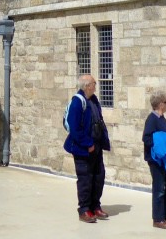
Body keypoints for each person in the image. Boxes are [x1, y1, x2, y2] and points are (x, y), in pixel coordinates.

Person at [63, 74, 111, 223]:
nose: (95, 85)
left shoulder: (94, 100)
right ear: (86, 86)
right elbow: (75, 129)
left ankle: (95, 206)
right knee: (85, 179)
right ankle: (84, 210)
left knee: (99, 177)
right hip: (83, 148)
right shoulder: (78, 102)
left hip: (96, 146)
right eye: (93, 83)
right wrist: (88, 144)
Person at [142, 89, 166, 229]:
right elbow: (146, 138)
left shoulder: (162, 118)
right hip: (156, 160)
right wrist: (159, 146)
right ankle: (158, 218)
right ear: (161, 104)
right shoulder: (152, 119)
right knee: (159, 188)